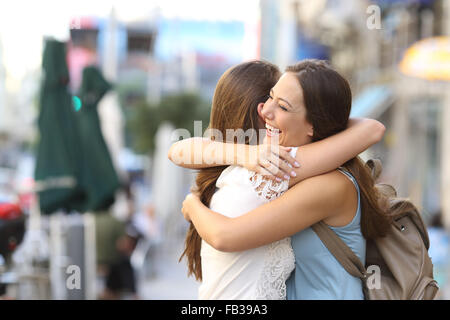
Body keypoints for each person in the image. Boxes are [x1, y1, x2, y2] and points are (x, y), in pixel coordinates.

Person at [169, 59, 386, 299]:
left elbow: (224, 236)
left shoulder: (309, 176)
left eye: (282, 106)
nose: (265, 110)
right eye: (270, 97)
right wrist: (246, 153)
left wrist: (192, 205)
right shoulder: (268, 166)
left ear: (313, 123)